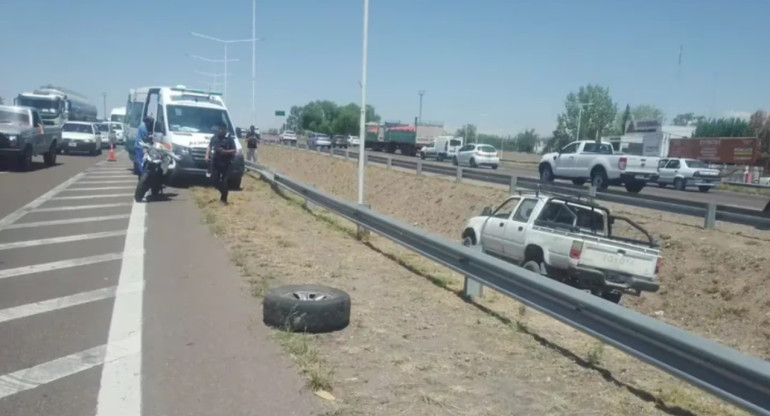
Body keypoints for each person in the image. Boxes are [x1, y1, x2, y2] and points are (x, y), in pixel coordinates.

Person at [209, 123, 237, 204]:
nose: (222, 130)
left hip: (226, 163)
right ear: (219, 129)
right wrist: (207, 155)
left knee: (224, 181)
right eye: (220, 129)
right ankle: (223, 192)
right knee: (214, 181)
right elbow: (210, 146)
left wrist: (225, 152)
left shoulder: (229, 139)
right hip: (216, 162)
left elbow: (234, 150)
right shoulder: (214, 138)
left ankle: (224, 198)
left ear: (226, 130)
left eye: (223, 129)